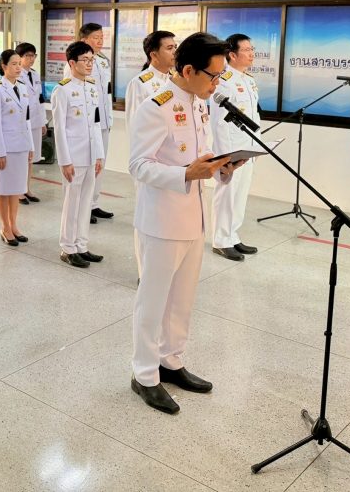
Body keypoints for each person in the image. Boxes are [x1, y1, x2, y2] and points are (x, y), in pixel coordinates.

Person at [129, 32, 242, 415]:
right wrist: (184, 174)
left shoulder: (198, 104)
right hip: (162, 221)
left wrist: (221, 167)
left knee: (182, 299)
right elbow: (138, 165)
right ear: (189, 70)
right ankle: (145, 374)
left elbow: (200, 157)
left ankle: (171, 360)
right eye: (213, 75)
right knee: (153, 302)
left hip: (194, 217)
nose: (217, 84)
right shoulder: (156, 106)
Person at [51, 42, 105, 268]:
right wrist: (65, 161)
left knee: (85, 203)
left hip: (90, 155)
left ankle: (81, 245)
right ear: (72, 63)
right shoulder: (62, 90)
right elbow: (59, 128)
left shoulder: (91, 87)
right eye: (85, 60)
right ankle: (68, 248)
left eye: (92, 60)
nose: (90, 64)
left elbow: (95, 124)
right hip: (73, 156)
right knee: (72, 203)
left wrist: (99, 155)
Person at [209, 33, 261, 261]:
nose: (252, 54)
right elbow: (219, 122)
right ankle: (221, 240)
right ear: (232, 54)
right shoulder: (224, 80)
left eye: (252, 49)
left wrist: (257, 144)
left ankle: (233, 235)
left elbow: (254, 115)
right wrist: (225, 157)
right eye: (247, 50)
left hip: (248, 146)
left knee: (240, 196)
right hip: (232, 149)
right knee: (227, 194)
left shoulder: (249, 80)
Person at [64, 23, 114, 223]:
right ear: (84, 39)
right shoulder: (74, 63)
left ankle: (93, 203)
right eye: (95, 37)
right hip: (84, 124)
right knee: (83, 168)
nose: (100, 40)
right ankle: (81, 207)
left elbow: (106, 93)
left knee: (99, 165)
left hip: (102, 121)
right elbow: (71, 93)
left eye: (102, 37)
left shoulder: (102, 61)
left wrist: (109, 117)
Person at [0, 50, 33, 246]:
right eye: (14, 64)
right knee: (3, 189)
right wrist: (0, 152)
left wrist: (30, 146)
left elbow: (26, 119)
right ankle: (5, 227)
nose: (18, 67)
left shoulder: (22, 87)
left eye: (19, 64)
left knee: (15, 189)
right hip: (6, 147)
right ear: (4, 66)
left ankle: (14, 225)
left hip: (21, 145)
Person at [15, 42, 45, 204]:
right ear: (19, 57)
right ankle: (18, 191)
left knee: (31, 158)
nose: (31, 59)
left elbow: (40, 99)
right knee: (22, 157)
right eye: (27, 56)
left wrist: (43, 122)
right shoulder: (16, 75)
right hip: (22, 123)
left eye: (33, 55)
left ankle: (26, 188)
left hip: (35, 120)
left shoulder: (35, 74)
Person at [125, 31, 176, 125]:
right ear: (154, 55)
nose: (175, 52)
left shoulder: (176, 79)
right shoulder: (139, 83)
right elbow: (134, 123)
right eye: (169, 48)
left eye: (175, 47)